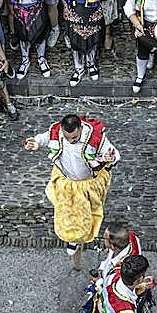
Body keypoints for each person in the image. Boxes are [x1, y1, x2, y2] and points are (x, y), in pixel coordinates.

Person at [23, 114, 120, 270]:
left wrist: (110, 157)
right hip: (67, 183)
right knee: (67, 211)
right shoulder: (57, 133)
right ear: (62, 130)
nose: (71, 141)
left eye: (74, 137)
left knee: (89, 213)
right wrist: (35, 143)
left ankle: (84, 233)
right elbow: (44, 138)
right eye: (68, 138)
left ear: (81, 128)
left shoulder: (95, 137)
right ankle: (72, 239)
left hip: (89, 184)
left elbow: (115, 154)